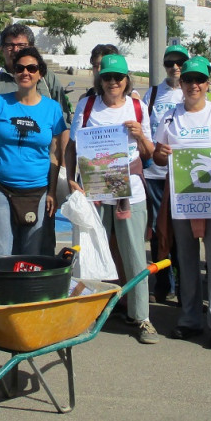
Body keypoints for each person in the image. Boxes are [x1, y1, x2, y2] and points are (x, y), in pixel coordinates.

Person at [66, 54, 159, 345]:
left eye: (118, 77)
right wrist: (71, 179)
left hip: (129, 188)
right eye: (107, 77)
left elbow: (149, 153)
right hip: (94, 185)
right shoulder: (88, 104)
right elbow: (72, 145)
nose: (113, 82)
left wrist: (141, 135)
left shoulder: (137, 106)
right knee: (92, 250)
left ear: (126, 79)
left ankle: (141, 316)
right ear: (100, 79)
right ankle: (89, 313)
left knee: (133, 254)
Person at [152, 56, 211, 349]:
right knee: (186, 260)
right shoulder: (170, 115)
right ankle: (190, 318)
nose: (194, 85)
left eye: (200, 80)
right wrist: (162, 153)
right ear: (181, 83)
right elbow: (157, 155)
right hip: (181, 197)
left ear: (207, 83)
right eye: (188, 80)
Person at [0, 24, 73, 252]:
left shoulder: (51, 99)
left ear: (40, 72)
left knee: (35, 251)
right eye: (21, 68)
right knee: (1, 251)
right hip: (0, 185)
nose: (26, 72)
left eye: (32, 68)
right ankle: (0, 288)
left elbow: (59, 142)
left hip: (39, 188)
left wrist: (60, 180)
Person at [144, 44, 187, 302]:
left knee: (182, 235)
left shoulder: (191, 92)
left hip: (182, 176)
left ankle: (185, 287)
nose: (175, 68)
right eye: (170, 63)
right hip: (155, 176)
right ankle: (163, 285)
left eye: (179, 62)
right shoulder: (153, 93)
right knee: (159, 233)